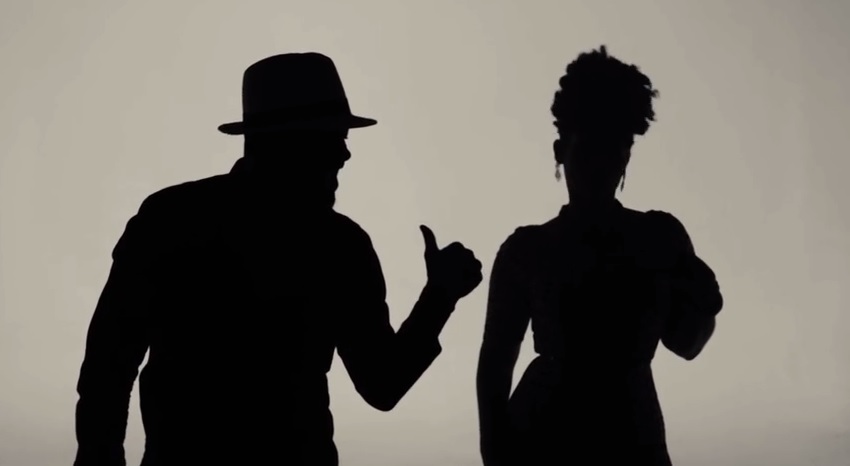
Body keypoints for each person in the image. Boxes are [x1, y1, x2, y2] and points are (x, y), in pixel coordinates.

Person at [73, 52, 483, 466]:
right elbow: (382, 385)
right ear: (286, 143)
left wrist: (440, 297)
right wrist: (440, 297)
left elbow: (109, 363)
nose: (345, 154)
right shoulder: (340, 245)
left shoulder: (173, 218)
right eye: (332, 137)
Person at [475, 45, 724, 466]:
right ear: (561, 150)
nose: (600, 165)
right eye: (590, 148)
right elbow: (494, 370)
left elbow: (687, 342)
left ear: (626, 155)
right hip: (578, 439)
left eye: (614, 149)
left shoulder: (656, 238)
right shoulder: (529, 250)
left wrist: (702, 302)